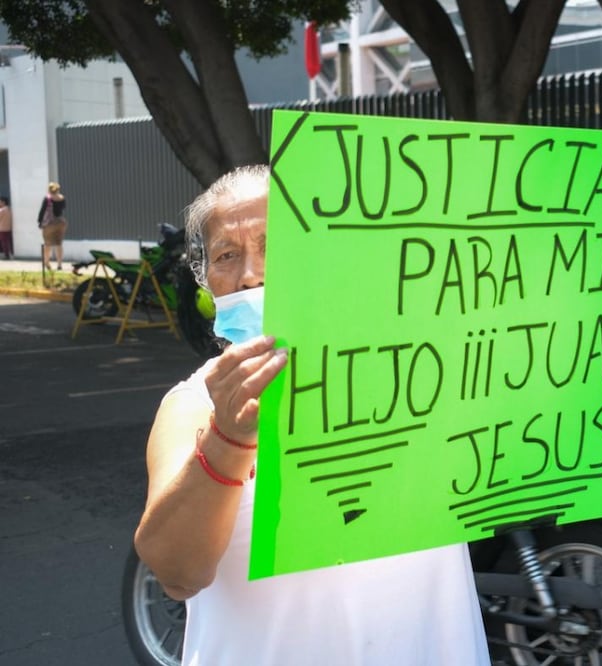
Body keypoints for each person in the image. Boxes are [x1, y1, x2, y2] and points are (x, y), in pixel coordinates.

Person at [133, 165, 491, 665]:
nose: (251, 273)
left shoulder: (426, 374)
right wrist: (229, 438)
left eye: (275, 246)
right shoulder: (195, 405)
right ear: (206, 281)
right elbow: (176, 574)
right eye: (227, 255)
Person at [37, 182, 67, 270]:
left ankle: (47, 262)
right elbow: (64, 208)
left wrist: (39, 221)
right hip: (61, 222)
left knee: (47, 244)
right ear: (58, 189)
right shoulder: (62, 198)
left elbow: (42, 211)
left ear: (49, 189)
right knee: (59, 243)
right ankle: (59, 264)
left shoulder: (47, 198)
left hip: (50, 223)